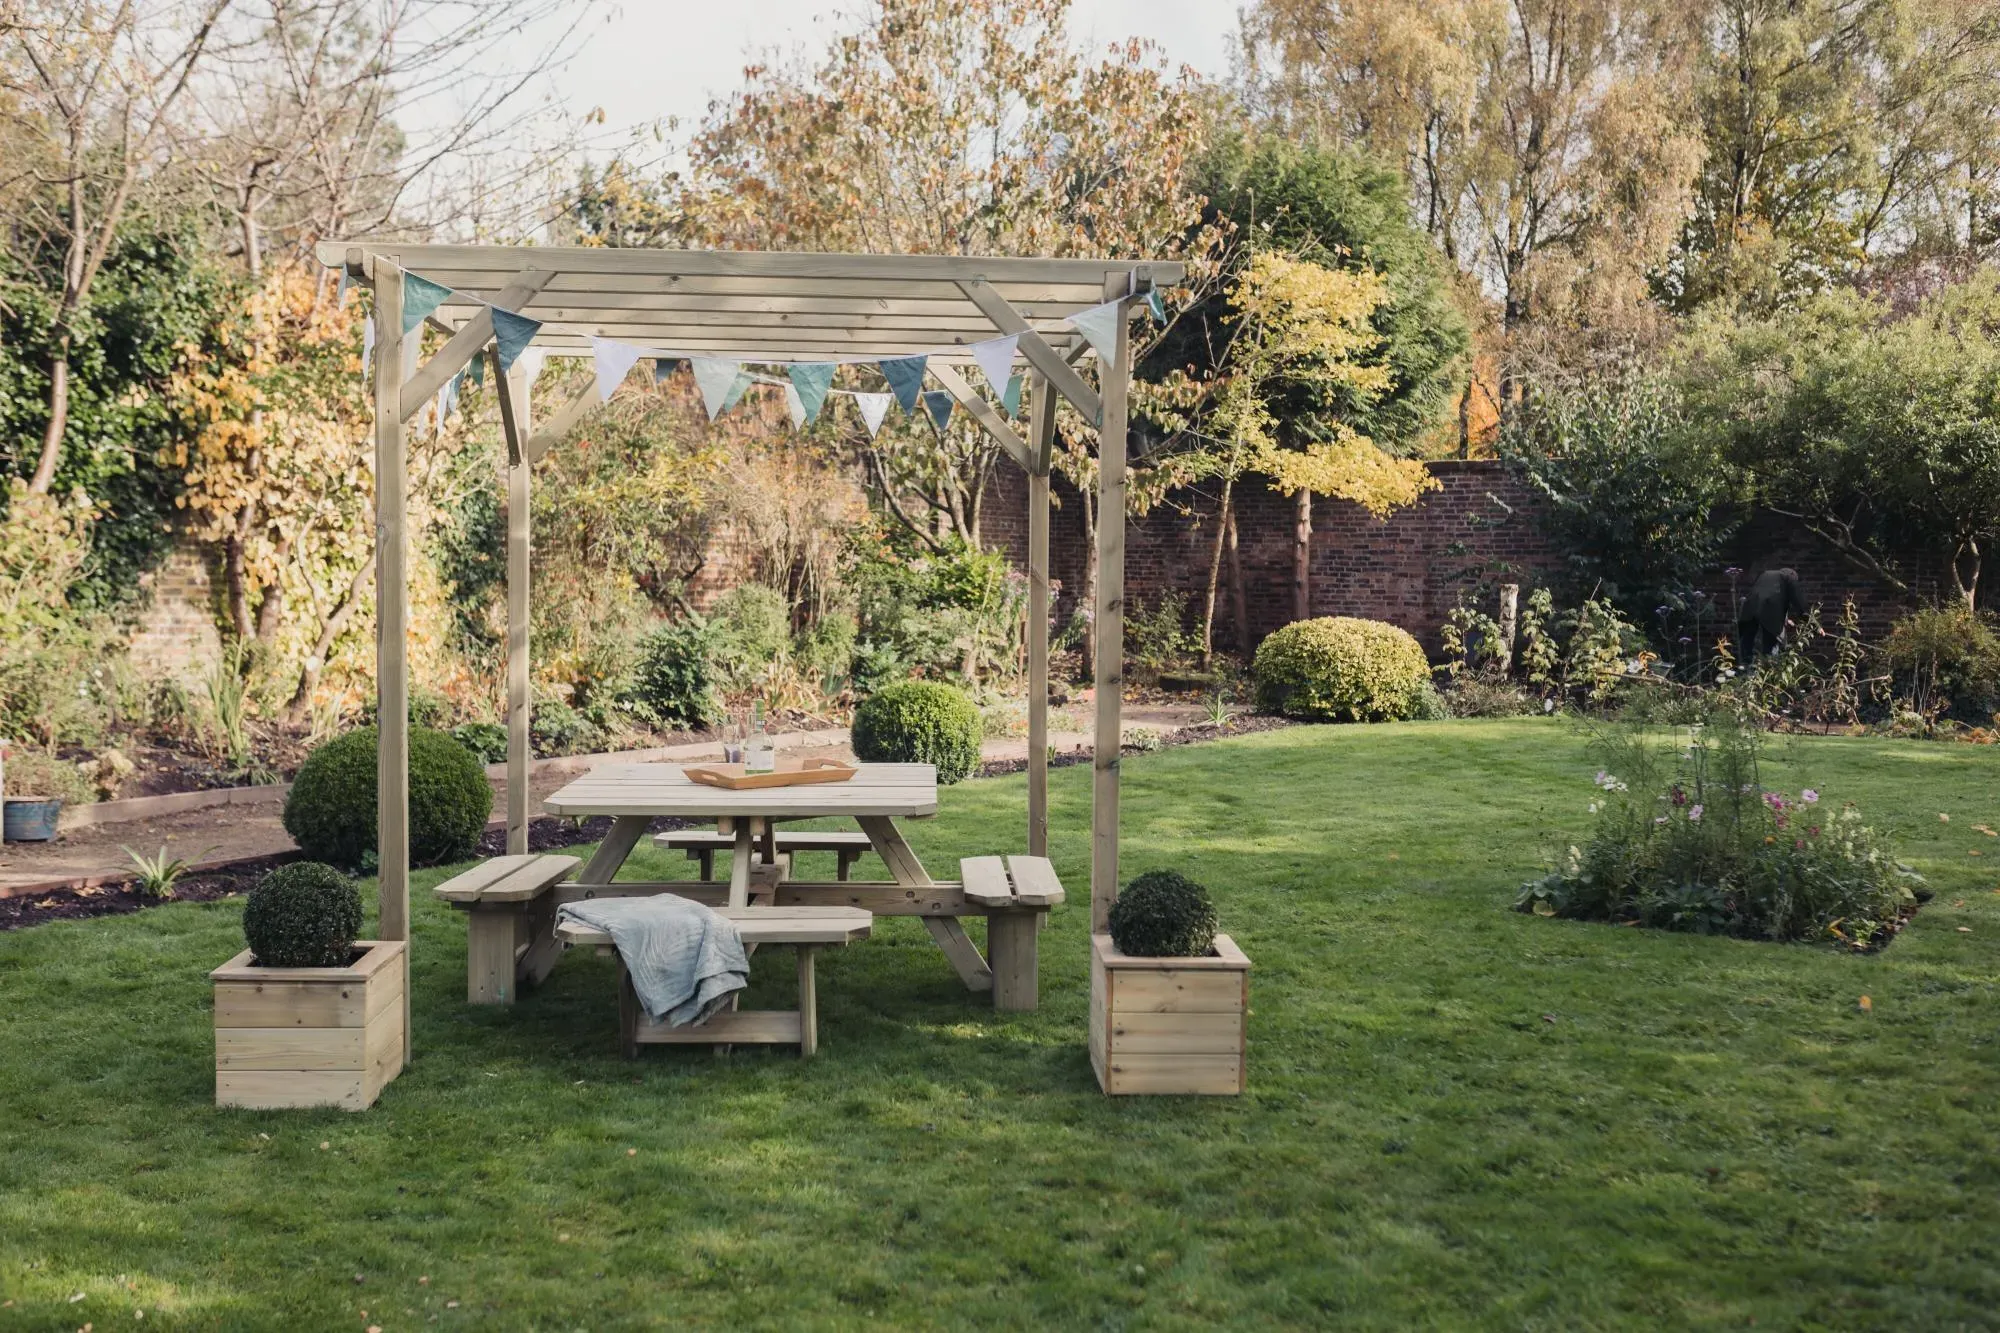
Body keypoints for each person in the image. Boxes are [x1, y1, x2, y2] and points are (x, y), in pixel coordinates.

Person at [1736, 567, 1805, 661]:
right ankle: (1770, 669)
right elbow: (1799, 602)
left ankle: (1745, 669)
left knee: (1747, 645)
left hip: (1749, 609)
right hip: (1769, 617)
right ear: (1793, 576)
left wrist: (1785, 620)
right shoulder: (1789, 578)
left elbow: (1766, 599)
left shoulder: (1765, 574)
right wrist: (1815, 625)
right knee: (1770, 647)